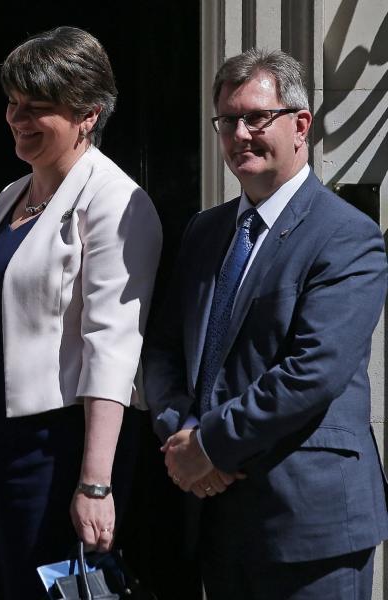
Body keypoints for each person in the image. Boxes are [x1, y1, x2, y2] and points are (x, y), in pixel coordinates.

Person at [144, 48, 388, 599]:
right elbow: (162, 350)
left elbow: (313, 372)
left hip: (309, 523)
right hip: (215, 517)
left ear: (300, 124)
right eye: (227, 120)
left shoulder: (345, 235)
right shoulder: (205, 232)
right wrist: (177, 432)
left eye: (256, 117)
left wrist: (209, 444)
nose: (239, 134)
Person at [0, 26, 162, 599]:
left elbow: (113, 345)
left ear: (89, 115)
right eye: (14, 103)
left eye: (38, 108)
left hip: (54, 450)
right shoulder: (10, 196)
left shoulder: (116, 200)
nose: (18, 118)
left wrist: (95, 482)